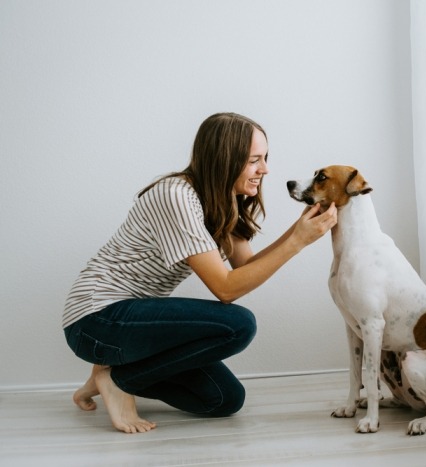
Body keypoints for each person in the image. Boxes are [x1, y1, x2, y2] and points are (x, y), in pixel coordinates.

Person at [62, 112, 337, 434]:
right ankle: (117, 380)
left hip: (130, 326)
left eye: (265, 159)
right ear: (224, 159)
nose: (265, 169)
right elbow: (226, 289)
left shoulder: (223, 202)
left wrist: (299, 230)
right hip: (96, 319)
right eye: (254, 160)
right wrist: (298, 243)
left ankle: (107, 376)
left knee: (224, 400)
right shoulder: (176, 195)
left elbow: (245, 268)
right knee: (238, 324)